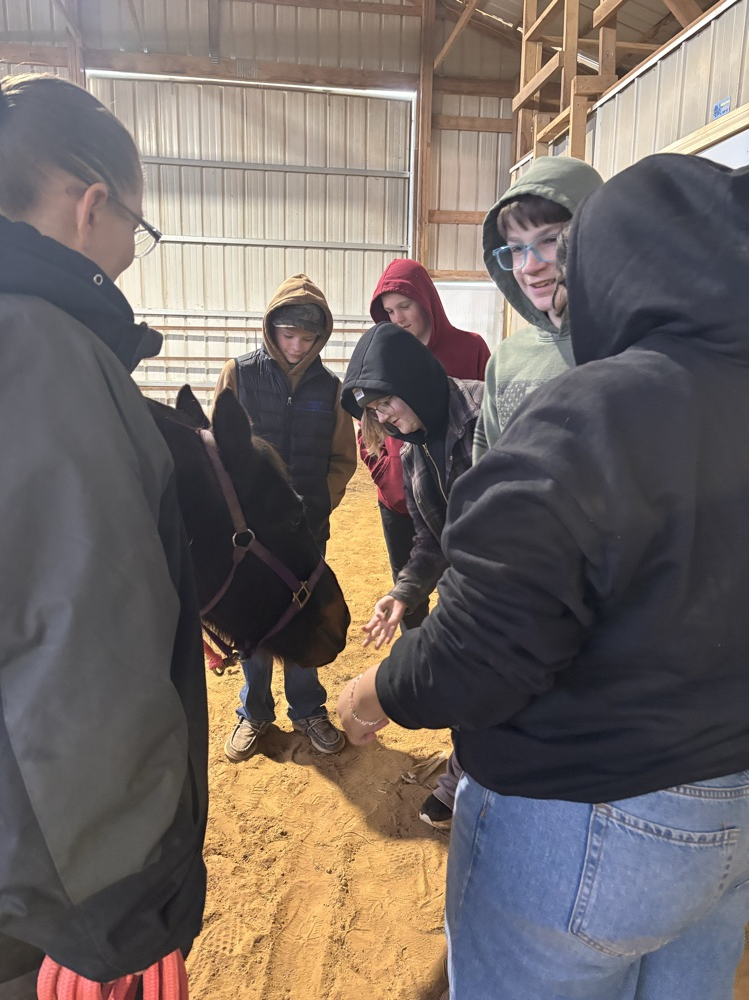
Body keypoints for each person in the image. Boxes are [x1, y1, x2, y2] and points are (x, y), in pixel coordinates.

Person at [338, 153, 749, 1000]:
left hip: (592, 806)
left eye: (562, 246)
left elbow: (491, 640)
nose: (540, 269)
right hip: (731, 804)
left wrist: (377, 691)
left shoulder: (597, 409)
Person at [0, 75, 208, 995]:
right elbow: (79, 649)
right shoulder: (46, 354)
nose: (131, 250)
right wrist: (119, 914)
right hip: (43, 903)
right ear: (91, 206)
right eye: (136, 224)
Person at [341, 322, 483, 830]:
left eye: (386, 403)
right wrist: (402, 593)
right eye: (374, 411)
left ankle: (475, 779)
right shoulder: (410, 446)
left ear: (414, 380)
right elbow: (429, 538)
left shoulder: (486, 412)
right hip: (465, 589)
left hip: (510, 582)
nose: (383, 418)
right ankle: (463, 774)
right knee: (472, 686)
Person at [214, 274, 356, 763]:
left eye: (308, 338)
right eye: (288, 334)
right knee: (253, 620)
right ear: (271, 328)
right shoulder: (239, 374)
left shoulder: (331, 389)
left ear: (321, 337)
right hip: (250, 535)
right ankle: (253, 712)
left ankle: (308, 709)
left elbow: (343, 459)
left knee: (304, 616)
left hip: (305, 531)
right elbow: (219, 448)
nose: (297, 346)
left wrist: (318, 505)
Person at [363, 259, 490, 633]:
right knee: (412, 581)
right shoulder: (383, 358)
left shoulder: (470, 350)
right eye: (389, 312)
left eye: (404, 306)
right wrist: (388, 476)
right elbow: (367, 430)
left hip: (470, 505)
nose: (398, 318)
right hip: (406, 495)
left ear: (426, 301)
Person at [472, 155, 603, 460]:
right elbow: (488, 469)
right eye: (517, 248)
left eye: (550, 240)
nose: (529, 266)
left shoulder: (634, 349)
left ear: (596, 236)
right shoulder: (506, 360)